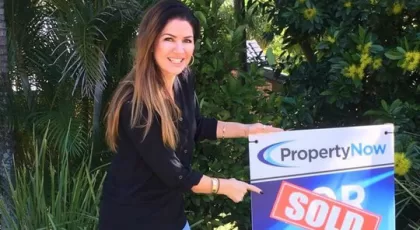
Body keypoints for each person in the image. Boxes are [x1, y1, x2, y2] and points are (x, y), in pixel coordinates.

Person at [98, 0, 283, 229]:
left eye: (187, 40)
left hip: (170, 216)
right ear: (151, 42)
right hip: (131, 219)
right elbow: (176, 175)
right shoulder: (135, 103)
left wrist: (248, 130)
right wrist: (225, 186)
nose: (180, 50)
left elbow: (197, 125)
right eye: (169, 39)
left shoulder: (183, 79)